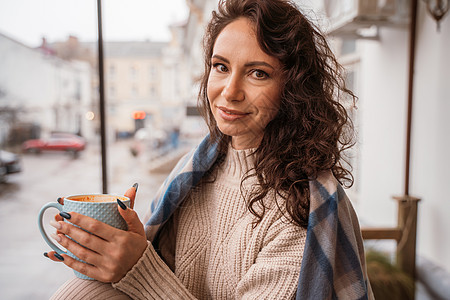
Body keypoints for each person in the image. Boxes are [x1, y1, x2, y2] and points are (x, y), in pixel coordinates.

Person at [45, 0, 373, 299]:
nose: (229, 92)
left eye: (258, 73)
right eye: (221, 66)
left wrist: (138, 268)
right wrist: (121, 248)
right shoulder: (194, 171)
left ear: (294, 87)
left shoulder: (303, 206)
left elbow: (146, 276)